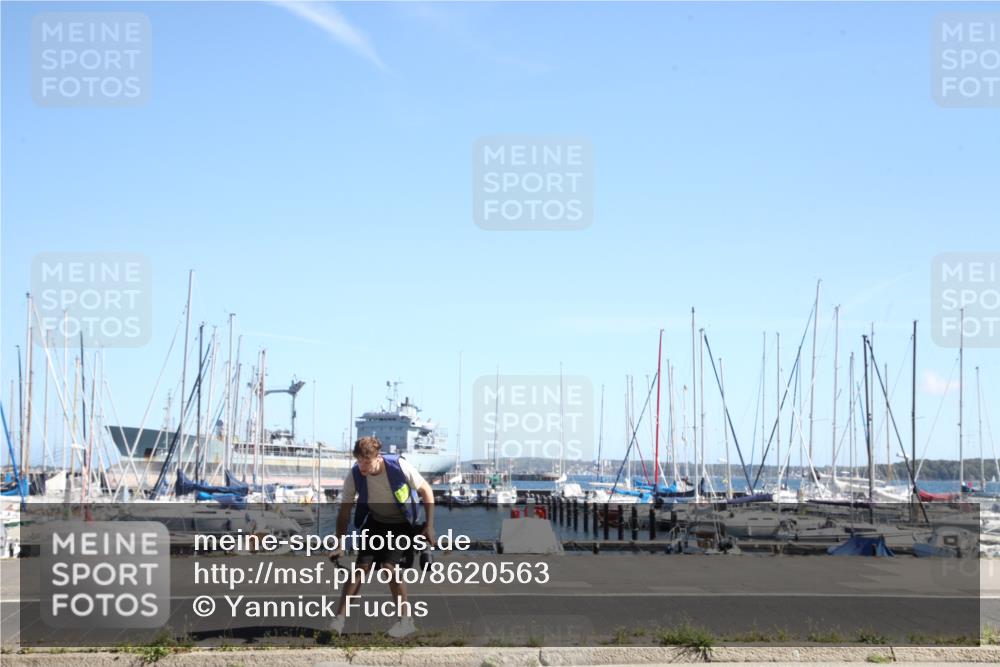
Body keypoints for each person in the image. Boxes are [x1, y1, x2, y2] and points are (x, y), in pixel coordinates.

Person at [328, 436, 435, 638]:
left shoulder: (398, 466)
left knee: (388, 568)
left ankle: (406, 621)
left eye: (366, 462)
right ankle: (338, 621)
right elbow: (344, 513)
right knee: (360, 569)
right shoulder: (355, 475)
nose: (362, 466)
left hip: (402, 523)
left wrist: (430, 527)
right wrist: (340, 544)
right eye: (359, 461)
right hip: (376, 521)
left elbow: (426, 491)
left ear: (378, 458)